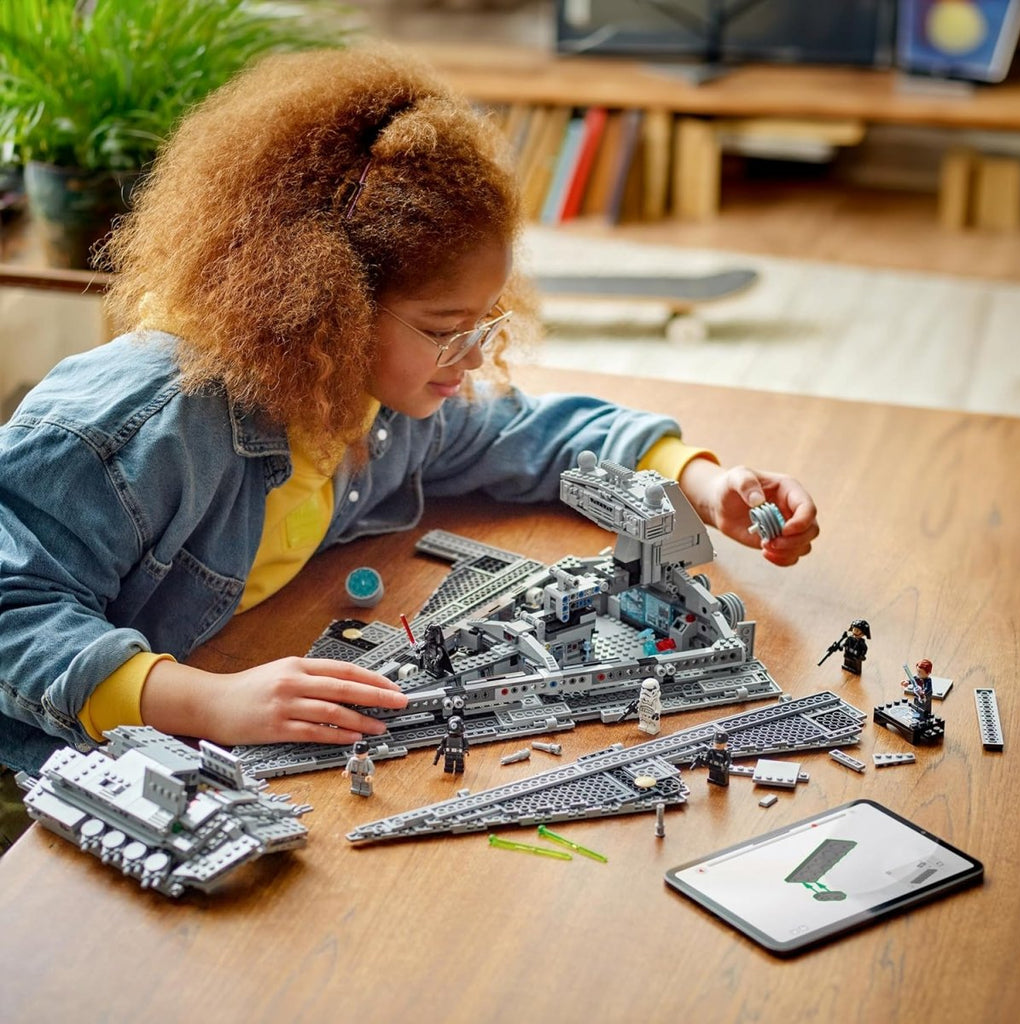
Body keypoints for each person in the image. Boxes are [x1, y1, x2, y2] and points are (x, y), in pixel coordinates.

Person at [0, 45, 818, 845]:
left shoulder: (378, 402)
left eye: (484, 323)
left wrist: (697, 479)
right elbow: (13, 611)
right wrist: (206, 702)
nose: (471, 359)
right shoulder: (146, 426)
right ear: (328, 304)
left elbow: (529, 431)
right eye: (444, 330)